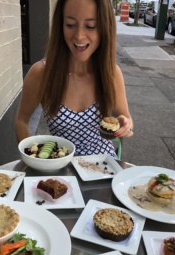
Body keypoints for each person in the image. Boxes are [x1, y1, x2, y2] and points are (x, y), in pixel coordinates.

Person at [15, 0, 134, 159]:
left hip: (104, 167)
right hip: (59, 171)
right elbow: (22, 120)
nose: (79, 35)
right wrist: (33, 159)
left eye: (91, 26)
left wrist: (122, 124)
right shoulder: (42, 73)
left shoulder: (111, 73)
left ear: (105, 27)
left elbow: (126, 118)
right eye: (70, 25)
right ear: (60, 25)